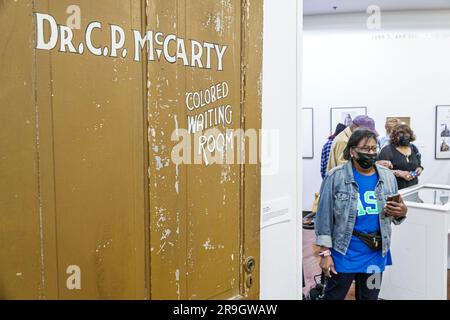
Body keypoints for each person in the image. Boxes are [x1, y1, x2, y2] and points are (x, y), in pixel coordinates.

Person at [315, 128, 408, 300]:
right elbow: (323, 218)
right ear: (352, 151)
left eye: (374, 149)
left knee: (370, 297)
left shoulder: (388, 177)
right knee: (333, 297)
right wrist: (325, 253)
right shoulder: (335, 177)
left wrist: (402, 212)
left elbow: (395, 214)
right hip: (344, 253)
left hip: (375, 254)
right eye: (365, 149)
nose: (371, 153)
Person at [378, 124, 424, 190]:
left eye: (407, 134)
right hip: (394, 190)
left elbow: (419, 165)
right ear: (394, 136)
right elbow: (380, 171)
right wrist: (399, 173)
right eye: (401, 134)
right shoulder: (387, 150)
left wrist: (419, 169)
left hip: (413, 188)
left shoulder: (414, 148)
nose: (404, 137)